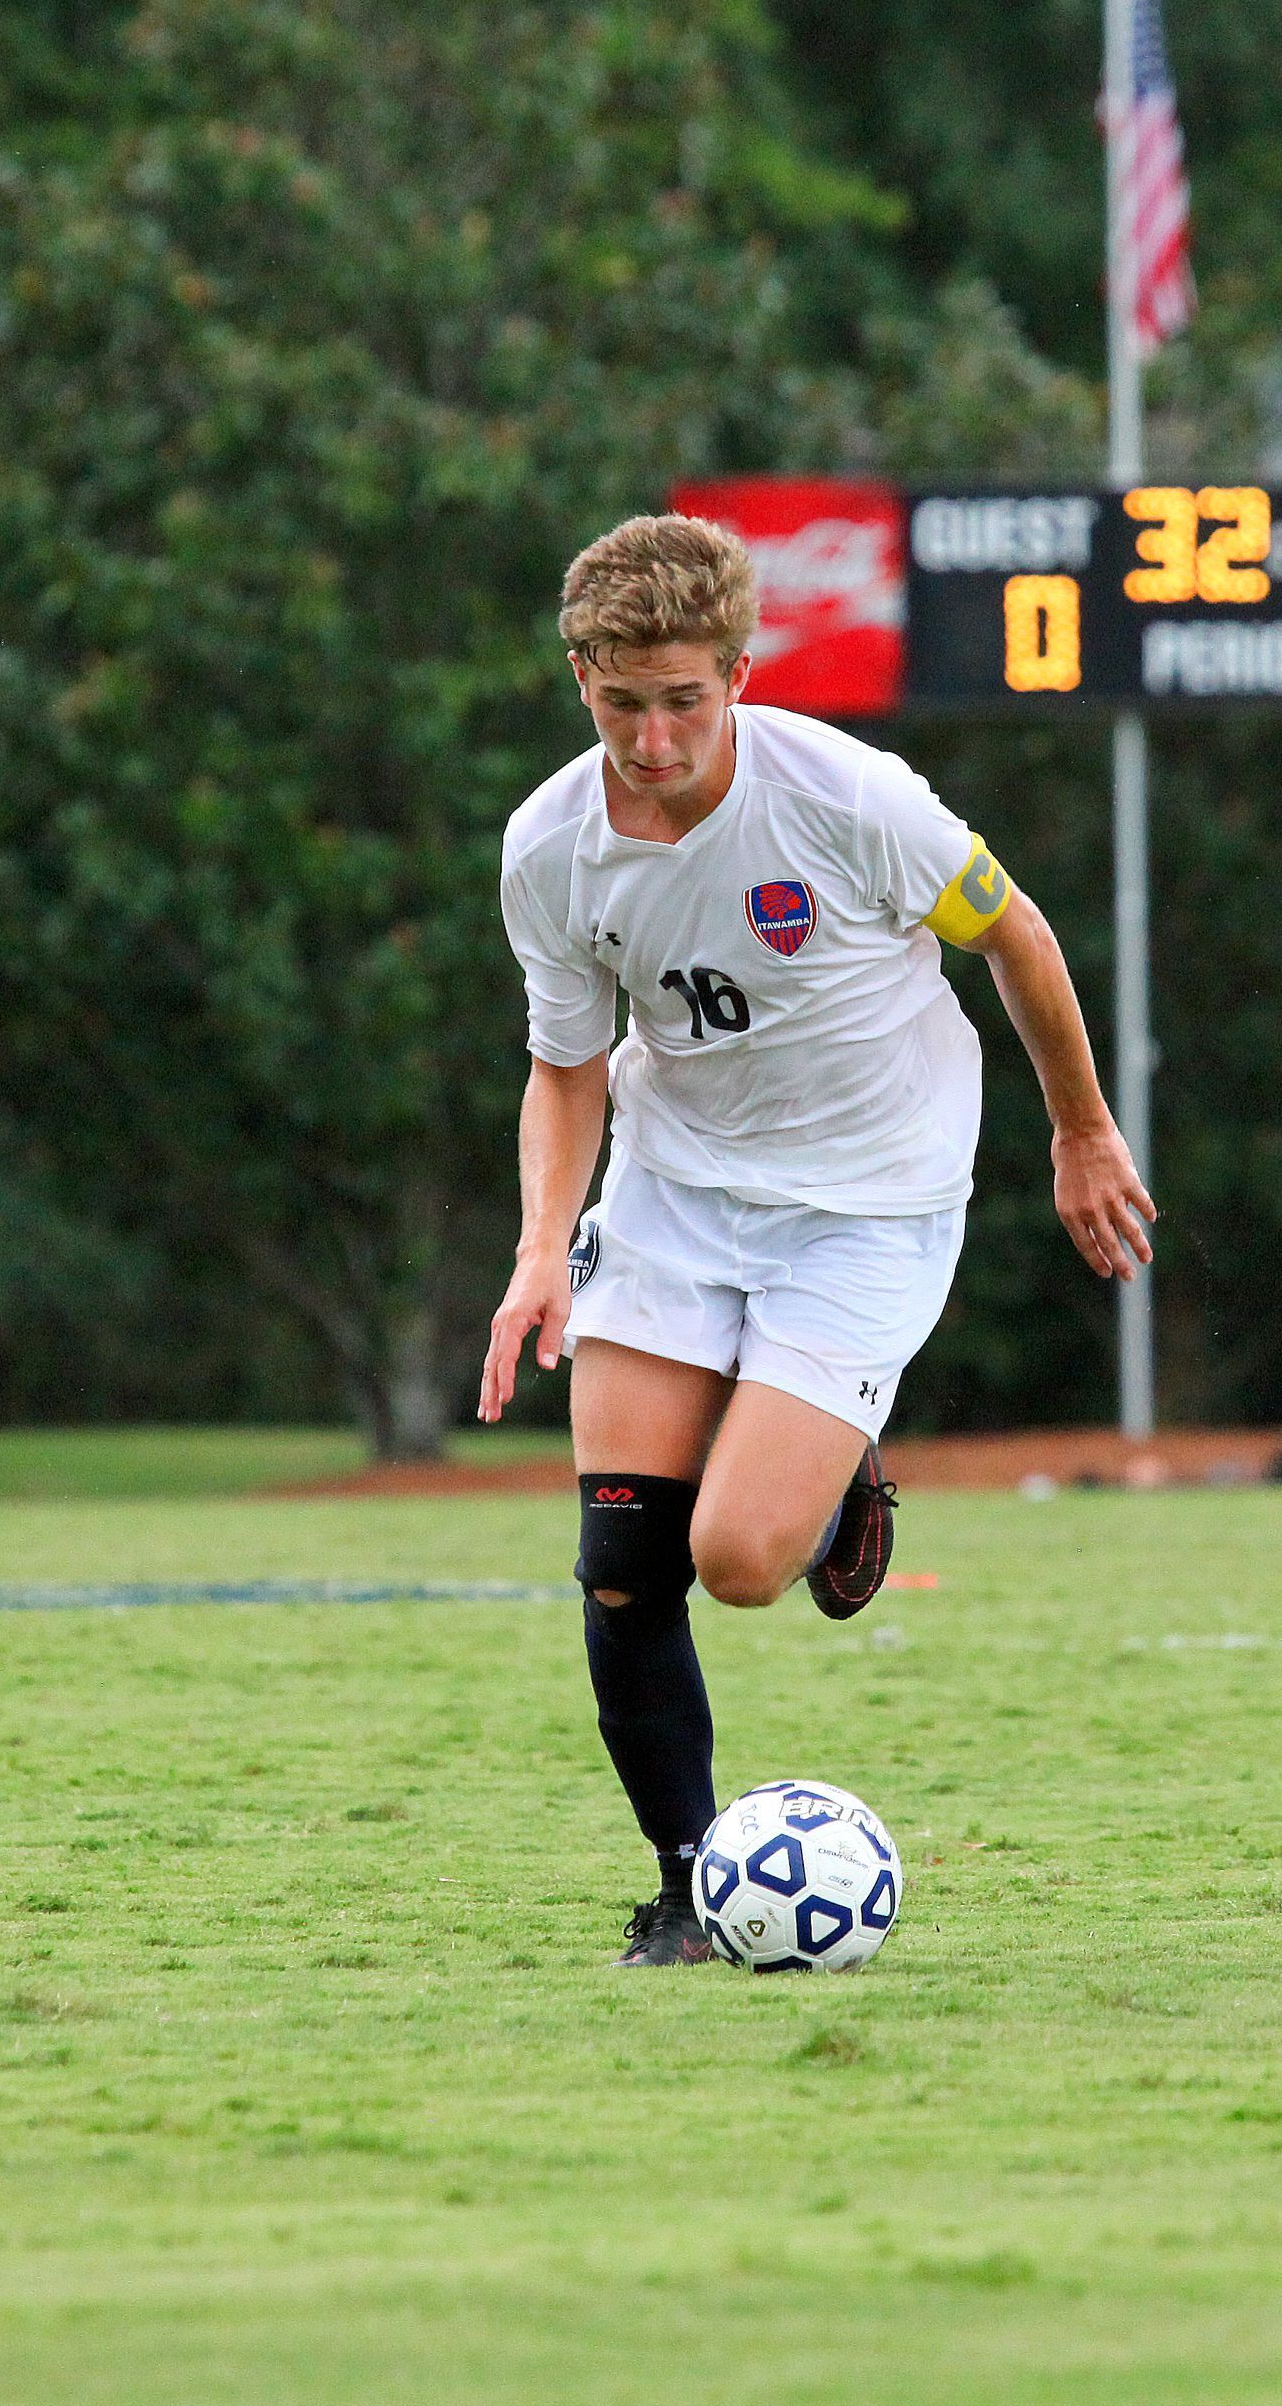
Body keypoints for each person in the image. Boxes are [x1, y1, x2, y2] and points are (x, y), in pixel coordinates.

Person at [479, 514, 1154, 1964]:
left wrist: (1081, 1130)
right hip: (671, 1195)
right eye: (621, 703)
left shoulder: (850, 795)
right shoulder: (550, 851)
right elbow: (566, 1062)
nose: (654, 737)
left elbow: (1017, 933)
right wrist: (544, 1246)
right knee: (619, 1559)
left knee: (732, 1556)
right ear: (580, 678)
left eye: (684, 699)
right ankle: (681, 1883)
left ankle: (834, 1459)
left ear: (736, 672)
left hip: (868, 1202)